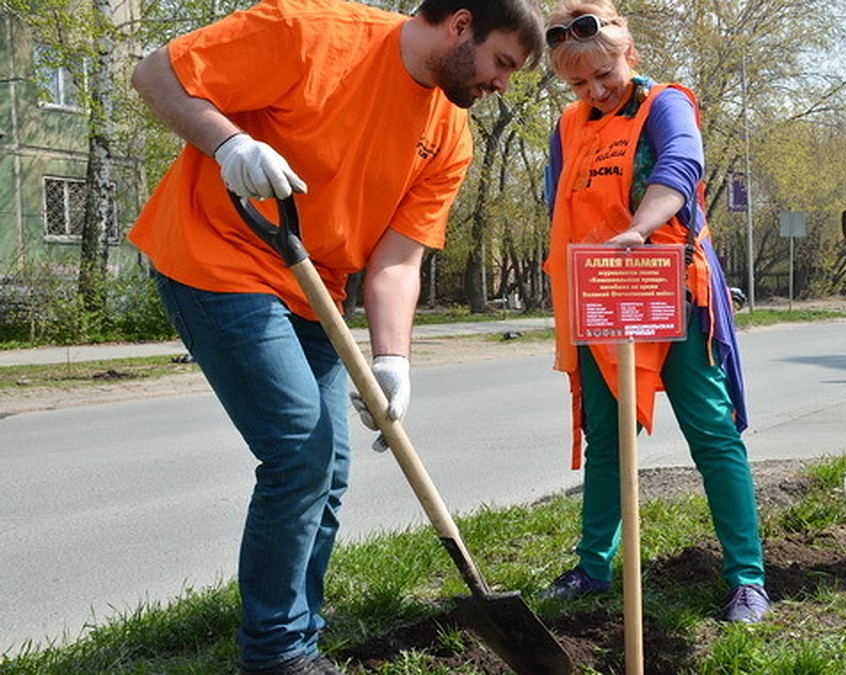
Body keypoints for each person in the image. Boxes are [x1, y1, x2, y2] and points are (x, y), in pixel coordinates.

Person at [128, 1, 543, 672]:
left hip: (313, 283)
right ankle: (276, 653)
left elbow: (398, 260)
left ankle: (299, 633)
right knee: (301, 451)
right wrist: (227, 143)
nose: (503, 86)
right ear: (461, 24)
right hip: (217, 256)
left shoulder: (450, 134)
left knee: (330, 468)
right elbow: (154, 75)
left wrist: (392, 359)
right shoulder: (310, 34)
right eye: (502, 63)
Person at [540, 0, 768, 623]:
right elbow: (561, 203)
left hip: (672, 287)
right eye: (578, 83)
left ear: (627, 53)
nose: (595, 91)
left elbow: (680, 168)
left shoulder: (666, 104)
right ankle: (592, 566)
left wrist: (640, 229)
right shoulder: (567, 124)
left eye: (603, 75)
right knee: (607, 441)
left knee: (712, 434)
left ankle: (747, 579)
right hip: (600, 295)